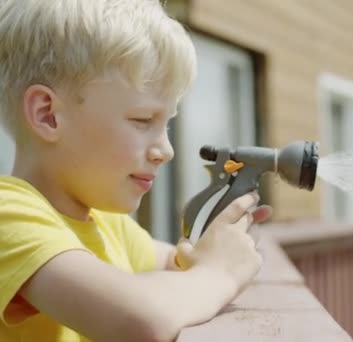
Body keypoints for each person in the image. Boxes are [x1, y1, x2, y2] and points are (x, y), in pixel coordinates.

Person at [0, 0, 273, 340]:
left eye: (167, 125)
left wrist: (217, 244)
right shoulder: (8, 218)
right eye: (143, 121)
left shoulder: (107, 225)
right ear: (48, 115)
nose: (167, 151)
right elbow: (144, 320)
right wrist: (220, 275)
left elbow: (178, 268)